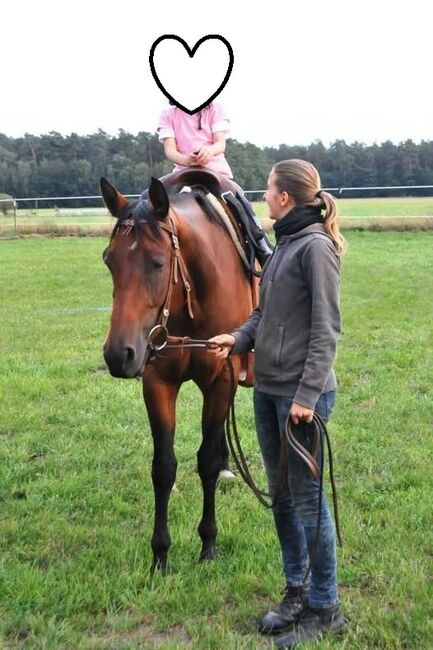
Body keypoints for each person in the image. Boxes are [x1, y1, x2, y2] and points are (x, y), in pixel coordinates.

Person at [208, 159, 347, 648]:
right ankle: (297, 591)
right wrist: (239, 338)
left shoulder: (315, 249)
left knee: (309, 504)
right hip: (267, 390)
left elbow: (326, 329)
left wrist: (307, 396)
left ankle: (326, 606)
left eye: (267, 188)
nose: (263, 195)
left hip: (299, 398)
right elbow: (265, 312)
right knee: (283, 499)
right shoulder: (285, 245)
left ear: (285, 196)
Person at [152, 101, 273, 264]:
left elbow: (220, 144)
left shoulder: (215, 109)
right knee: (147, 198)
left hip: (215, 171)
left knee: (239, 198)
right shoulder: (168, 115)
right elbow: (170, 150)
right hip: (183, 172)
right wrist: (185, 160)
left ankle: (260, 244)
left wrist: (208, 151)